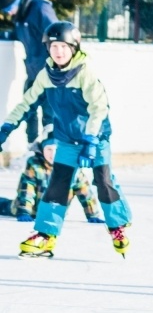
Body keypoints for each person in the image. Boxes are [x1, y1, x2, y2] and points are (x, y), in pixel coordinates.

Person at [0, 21, 132, 259]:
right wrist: (7, 127)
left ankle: (117, 227)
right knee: (57, 185)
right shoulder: (46, 75)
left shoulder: (84, 72)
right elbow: (27, 103)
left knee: (103, 181)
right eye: (53, 46)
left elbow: (99, 107)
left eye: (63, 46)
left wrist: (91, 140)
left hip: (96, 137)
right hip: (67, 139)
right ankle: (45, 234)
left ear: (73, 47)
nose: (58, 51)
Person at [0, 127, 103, 223]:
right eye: (49, 149)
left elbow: (84, 191)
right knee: (4, 205)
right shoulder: (34, 164)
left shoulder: (71, 168)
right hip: (28, 209)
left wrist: (92, 214)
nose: (53, 154)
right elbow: (27, 189)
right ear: (42, 149)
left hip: (54, 213)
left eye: (57, 150)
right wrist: (24, 211)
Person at [0, 0, 57, 148]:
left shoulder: (39, 8)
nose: (9, 13)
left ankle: (50, 151)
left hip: (49, 74)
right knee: (29, 112)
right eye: (5, 10)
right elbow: (17, 35)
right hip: (33, 74)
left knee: (49, 115)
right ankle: (32, 148)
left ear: (16, 1)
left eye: (9, 8)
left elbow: (56, 33)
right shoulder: (20, 17)